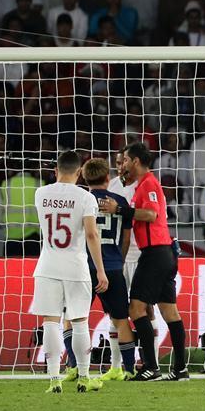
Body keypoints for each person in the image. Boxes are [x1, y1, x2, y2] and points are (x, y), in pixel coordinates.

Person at [100, 143, 186, 381]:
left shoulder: (148, 183)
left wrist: (120, 209)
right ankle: (180, 369)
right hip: (164, 253)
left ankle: (151, 366)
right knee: (170, 312)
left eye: (125, 159)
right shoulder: (141, 185)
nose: (123, 164)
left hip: (155, 253)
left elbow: (150, 215)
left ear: (135, 161)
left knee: (136, 309)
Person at [30, 151, 108, 394]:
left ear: (56, 170)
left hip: (48, 266)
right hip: (76, 267)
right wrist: (101, 271)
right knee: (80, 322)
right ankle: (84, 378)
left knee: (51, 321)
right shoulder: (86, 197)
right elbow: (92, 235)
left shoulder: (40, 193)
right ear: (78, 173)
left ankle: (54, 380)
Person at [80, 158, 136, 381]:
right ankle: (130, 369)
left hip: (84, 267)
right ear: (107, 178)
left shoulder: (82, 200)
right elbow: (126, 238)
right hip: (112, 267)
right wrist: (118, 260)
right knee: (121, 319)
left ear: (84, 178)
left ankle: (76, 367)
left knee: (76, 318)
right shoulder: (120, 201)